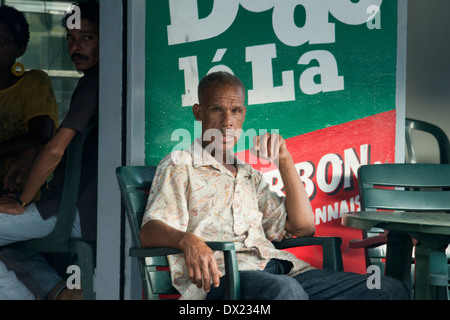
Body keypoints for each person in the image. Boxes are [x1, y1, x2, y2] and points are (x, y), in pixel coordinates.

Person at [140, 71, 410, 300]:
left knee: (388, 289)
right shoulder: (180, 164)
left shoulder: (249, 175)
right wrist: (188, 240)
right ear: (198, 113)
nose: (227, 122)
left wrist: (284, 160)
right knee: (286, 291)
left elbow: (303, 227)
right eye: (216, 109)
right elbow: (150, 230)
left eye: (235, 110)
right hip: (224, 281)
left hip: (282, 270)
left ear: (244, 114)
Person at [0, 1, 99, 300]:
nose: (76, 47)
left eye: (87, 38)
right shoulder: (101, 83)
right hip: (81, 209)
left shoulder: (93, 84)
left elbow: (55, 149)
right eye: (71, 39)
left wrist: (22, 200)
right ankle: (60, 294)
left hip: (73, 211)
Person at [0, 5, 58, 197]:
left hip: (19, 195)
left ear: (20, 49)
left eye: (3, 40)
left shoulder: (34, 82)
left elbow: (39, 136)